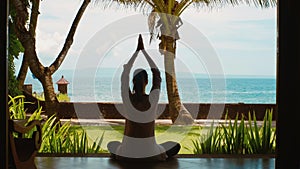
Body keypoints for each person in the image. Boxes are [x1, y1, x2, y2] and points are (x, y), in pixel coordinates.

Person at [107, 34, 181, 161]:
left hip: (127, 154)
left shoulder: (128, 99)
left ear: (133, 82)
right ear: (146, 82)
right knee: (175, 146)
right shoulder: (152, 99)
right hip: (150, 154)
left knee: (111, 145)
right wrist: (144, 52)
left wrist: (136, 52)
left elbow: (124, 76)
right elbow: (156, 74)